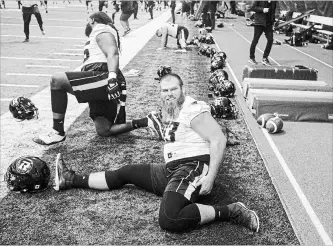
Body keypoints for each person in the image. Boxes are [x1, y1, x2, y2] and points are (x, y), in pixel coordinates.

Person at [54, 73, 260, 233]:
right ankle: (70, 179)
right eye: (164, 90)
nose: (169, 94)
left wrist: (210, 178)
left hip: (192, 167)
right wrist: (122, 126)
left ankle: (232, 211)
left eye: (173, 89)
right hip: (171, 169)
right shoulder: (167, 112)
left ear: (182, 89)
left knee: (170, 219)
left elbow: (218, 139)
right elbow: (146, 123)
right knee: (126, 173)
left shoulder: (191, 108)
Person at [33, 12, 161, 145]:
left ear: (93, 20)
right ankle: (147, 121)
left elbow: (112, 52)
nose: (86, 24)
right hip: (99, 78)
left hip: (103, 76)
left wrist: (111, 79)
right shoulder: (98, 32)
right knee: (104, 129)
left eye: (87, 21)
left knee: (57, 80)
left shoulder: (101, 28)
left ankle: (57, 132)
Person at [248, 1, 278, 66]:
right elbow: (253, 7)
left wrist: (273, 22)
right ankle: (251, 57)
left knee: (270, 40)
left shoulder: (274, 1)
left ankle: (265, 58)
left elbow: (273, 12)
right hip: (259, 22)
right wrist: (262, 9)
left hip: (268, 24)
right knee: (255, 40)